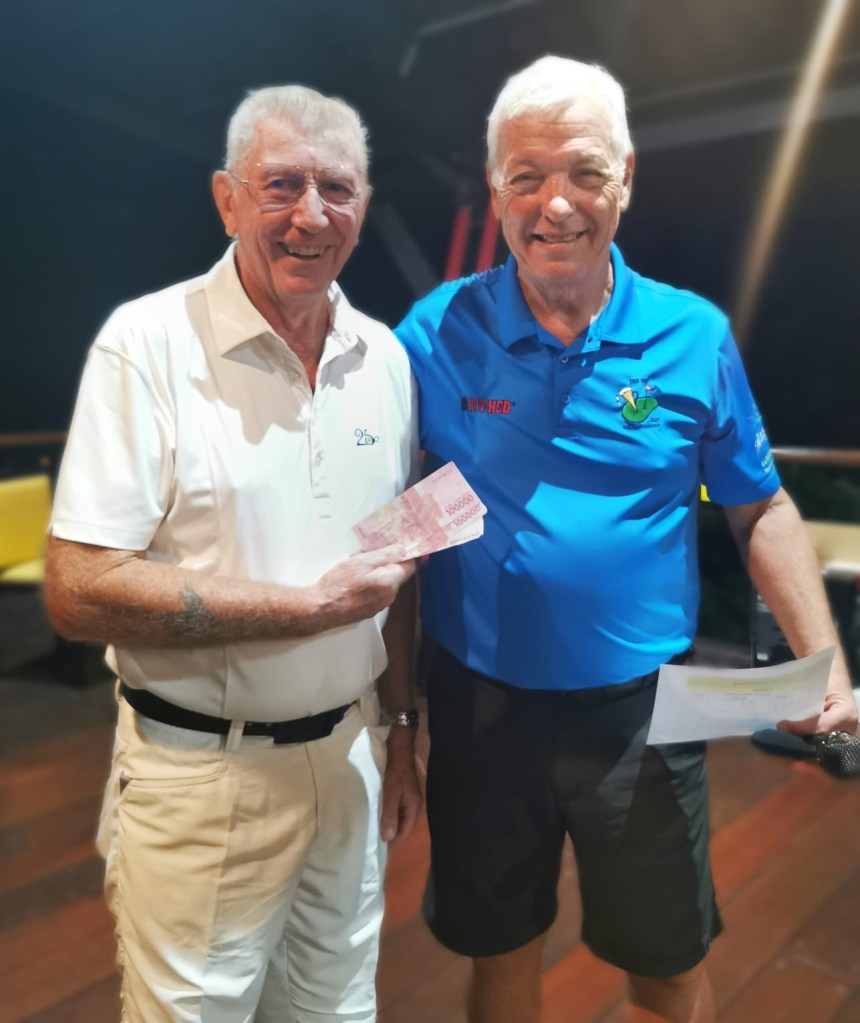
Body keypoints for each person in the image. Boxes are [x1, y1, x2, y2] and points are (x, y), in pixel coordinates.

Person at [394, 55, 857, 1023]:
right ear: (496, 191)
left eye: (584, 172)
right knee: (498, 949)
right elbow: (385, 512)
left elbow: (759, 506)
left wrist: (824, 666)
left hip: (647, 714)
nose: (555, 203)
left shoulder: (691, 335)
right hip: (478, 707)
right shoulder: (434, 332)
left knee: (667, 962)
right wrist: (393, 715)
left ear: (626, 179)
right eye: (526, 176)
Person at [44, 84, 422, 1023]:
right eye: (280, 184)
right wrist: (308, 608)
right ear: (227, 199)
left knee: (338, 1011)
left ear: (363, 206)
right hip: (202, 777)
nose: (311, 215)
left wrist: (401, 728)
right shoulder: (147, 343)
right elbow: (77, 589)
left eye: (337, 188)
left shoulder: (385, 358)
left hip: (351, 757)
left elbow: (398, 567)